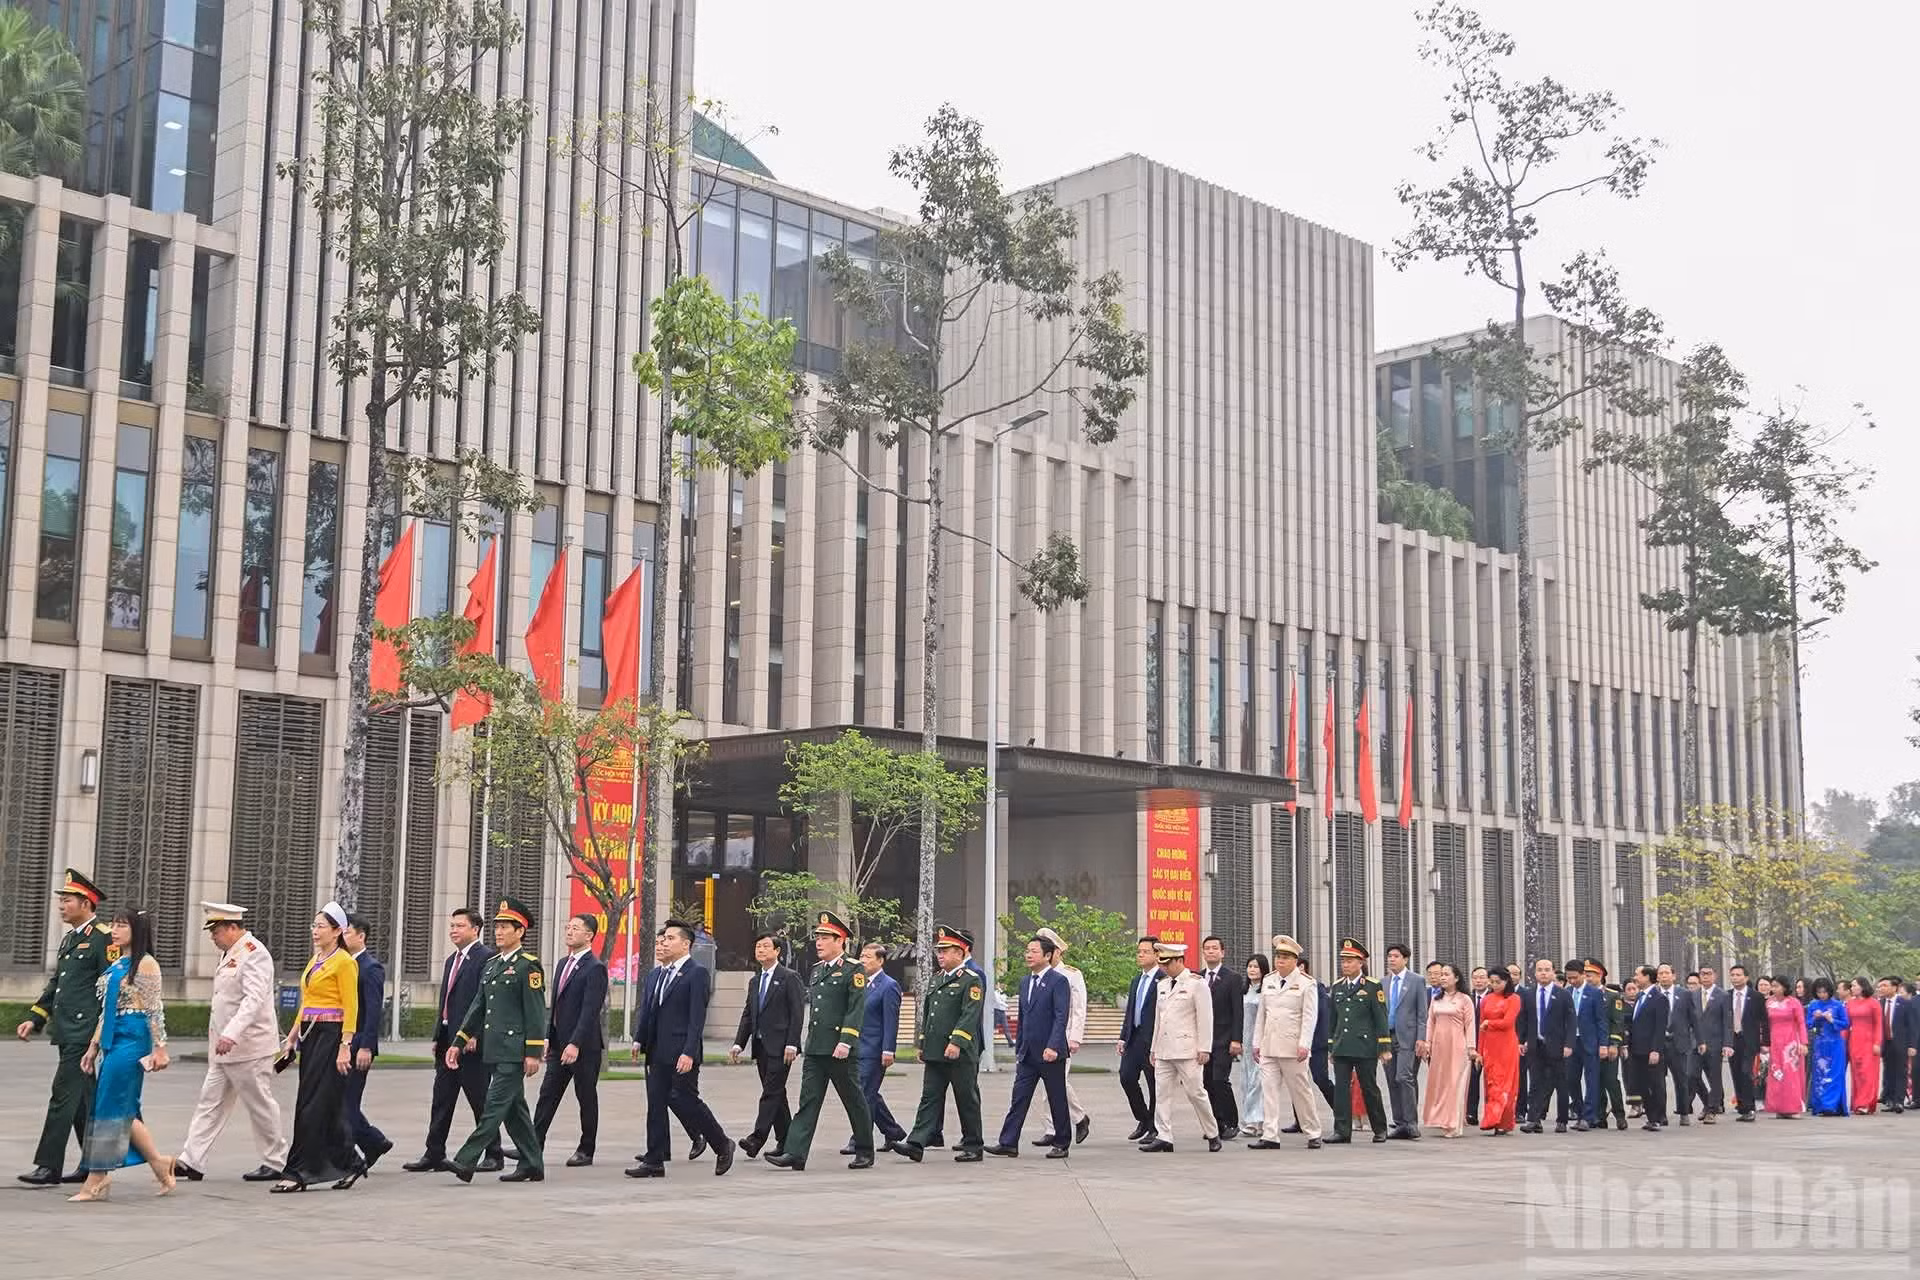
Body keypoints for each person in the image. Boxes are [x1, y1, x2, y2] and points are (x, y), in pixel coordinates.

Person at [68, 909, 176, 1201]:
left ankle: (97, 1178)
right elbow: (107, 1011)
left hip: (133, 1038)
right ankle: (158, 1162)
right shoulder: (119, 963)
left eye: (121, 925)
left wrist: (160, 1048)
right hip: (112, 1039)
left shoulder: (147, 964)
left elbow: (155, 1009)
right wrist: (93, 1046)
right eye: (113, 925)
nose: (114, 930)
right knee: (121, 1106)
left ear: (137, 930)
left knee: (108, 1106)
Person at [175, 903, 288, 1183]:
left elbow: (254, 1000)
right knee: (208, 1102)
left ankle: (275, 1161)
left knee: (259, 1103)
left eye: (216, 930)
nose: (213, 936)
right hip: (222, 1049)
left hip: (248, 1047)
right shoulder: (230, 954)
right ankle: (192, 1160)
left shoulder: (254, 954)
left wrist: (232, 1034)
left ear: (233, 928)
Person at [16, 868, 113, 1188]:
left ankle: (48, 1166)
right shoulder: (72, 938)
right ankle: (95, 1163)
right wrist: (36, 1016)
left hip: (83, 1033)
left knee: (63, 1096)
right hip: (68, 1028)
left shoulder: (103, 938)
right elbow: (58, 984)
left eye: (67, 900)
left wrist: (100, 1034)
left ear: (86, 903)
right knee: (83, 1101)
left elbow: (111, 988)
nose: (61, 906)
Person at [443, 898, 548, 1183]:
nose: (498, 932)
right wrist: (458, 1041)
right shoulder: (491, 966)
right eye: (497, 927)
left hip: (514, 1052)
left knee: (493, 1106)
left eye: (505, 927)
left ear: (520, 932)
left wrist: (533, 1053)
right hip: (494, 1049)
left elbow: (536, 1013)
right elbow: (478, 1007)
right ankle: (532, 1163)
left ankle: (466, 1160)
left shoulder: (529, 967)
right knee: (514, 1111)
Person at [625, 917, 733, 1179]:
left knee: (686, 1099)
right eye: (664, 938)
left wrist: (689, 1051)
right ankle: (654, 1160)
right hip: (657, 1050)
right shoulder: (659, 974)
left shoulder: (696, 973)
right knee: (656, 1104)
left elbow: (697, 1016)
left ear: (686, 944)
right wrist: (640, 1039)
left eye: (671, 938)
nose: (665, 942)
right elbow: (650, 1011)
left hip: (681, 1050)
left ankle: (721, 1143)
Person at [765, 912, 873, 1171]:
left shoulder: (853, 969)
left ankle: (865, 1150)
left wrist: (846, 1040)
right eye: (818, 937)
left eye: (825, 938)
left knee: (854, 1100)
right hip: (816, 1047)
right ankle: (795, 1152)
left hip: (840, 1048)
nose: (819, 942)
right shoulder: (816, 971)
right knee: (808, 1100)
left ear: (841, 940)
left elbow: (855, 1008)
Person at [273, 903, 363, 1193]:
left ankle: (299, 1170)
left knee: (311, 1104)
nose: (315, 931)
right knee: (324, 1104)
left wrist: (345, 1045)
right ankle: (351, 1161)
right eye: (314, 925)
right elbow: (307, 1002)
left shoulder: (344, 962)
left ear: (338, 931)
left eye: (321, 926)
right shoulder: (316, 960)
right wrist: (292, 1037)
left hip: (331, 1035)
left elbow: (351, 1006)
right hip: (311, 1035)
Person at [404, 908, 500, 1173]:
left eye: (460, 926)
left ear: (475, 929)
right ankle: (434, 1152)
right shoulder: (451, 960)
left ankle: (494, 1153)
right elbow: (445, 1002)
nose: (453, 930)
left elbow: (487, 1001)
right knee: (441, 1098)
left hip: (470, 1043)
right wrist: (439, 1034)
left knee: (479, 1099)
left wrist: (475, 1034)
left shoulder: (487, 958)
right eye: (452, 926)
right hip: (448, 1039)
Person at [896, 925, 986, 1163]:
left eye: (946, 950)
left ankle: (974, 1144)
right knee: (930, 1097)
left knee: (966, 1097)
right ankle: (916, 1143)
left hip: (960, 1051)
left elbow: (970, 1014)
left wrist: (956, 1042)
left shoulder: (971, 980)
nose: (941, 955)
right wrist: (922, 1043)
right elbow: (929, 1013)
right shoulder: (937, 979)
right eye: (940, 950)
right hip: (936, 1050)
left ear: (961, 952)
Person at [987, 936, 1074, 1159]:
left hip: (1050, 1053)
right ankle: (1008, 1142)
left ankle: (1062, 1142)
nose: (1028, 955)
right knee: (1019, 1098)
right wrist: (1019, 1046)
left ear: (1048, 956)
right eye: (1027, 950)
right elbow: (1024, 1017)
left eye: (1034, 951)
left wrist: (1054, 1045)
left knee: (1057, 1098)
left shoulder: (1059, 981)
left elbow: (1061, 1016)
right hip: (1028, 1053)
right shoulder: (1026, 981)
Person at [533, 912, 607, 1167]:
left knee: (585, 1096)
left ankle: (587, 1149)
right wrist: (547, 1036)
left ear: (589, 935)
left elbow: (590, 1010)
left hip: (583, 1047)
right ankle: (533, 1145)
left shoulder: (595, 968)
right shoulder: (563, 963)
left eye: (575, 928)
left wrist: (575, 1043)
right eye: (568, 927)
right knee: (547, 1094)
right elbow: (554, 1007)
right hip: (558, 1044)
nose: (569, 931)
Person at [1140, 940, 1220, 1153]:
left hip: (1188, 1049)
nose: (1164, 968)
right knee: (1162, 1094)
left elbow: (1205, 1018)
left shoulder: (1197, 983)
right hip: (1165, 1049)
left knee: (1196, 1093)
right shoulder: (1162, 984)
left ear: (1179, 960)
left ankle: (1212, 1132)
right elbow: (1159, 1019)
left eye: (1168, 963)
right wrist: (1154, 1049)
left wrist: (1205, 1048)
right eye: (1162, 964)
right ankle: (1164, 1136)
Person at [730, 931, 804, 1159]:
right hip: (761, 1046)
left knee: (770, 1092)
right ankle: (787, 1141)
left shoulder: (789, 977)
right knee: (776, 1094)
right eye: (758, 947)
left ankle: (756, 1139)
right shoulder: (755, 981)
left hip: (782, 1047)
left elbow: (797, 1013)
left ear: (777, 951)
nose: (760, 950)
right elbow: (748, 1014)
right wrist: (738, 1043)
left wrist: (793, 1043)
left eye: (765, 946)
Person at [1249, 936, 1320, 1149]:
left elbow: (1309, 1017)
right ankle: (1270, 1135)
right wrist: (1256, 1042)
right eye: (1278, 957)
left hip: (1292, 1047)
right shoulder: (1269, 980)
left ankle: (1312, 1131)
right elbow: (1262, 1014)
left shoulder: (1306, 983)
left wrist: (1304, 1044)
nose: (1280, 961)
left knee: (1301, 1091)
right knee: (1269, 1091)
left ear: (1295, 961)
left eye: (1285, 957)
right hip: (1269, 1045)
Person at [843, 942, 908, 1155]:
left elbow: (891, 1021)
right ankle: (893, 1132)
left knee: (864, 1094)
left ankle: (859, 1139)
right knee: (869, 1093)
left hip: (874, 1049)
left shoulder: (889, 986)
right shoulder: (859, 983)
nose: (863, 960)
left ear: (880, 961)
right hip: (856, 1048)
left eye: (868, 957)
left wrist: (888, 1050)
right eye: (862, 956)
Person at [1326, 937, 1390, 1144]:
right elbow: (1332, 1019)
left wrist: (1384, 1046)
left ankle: (1379, 1128)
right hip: (1342, 1045)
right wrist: (1330, 1046)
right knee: (1341, 1090)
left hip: (1365, 1046)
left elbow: (1380, 1017)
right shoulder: (1337, 987)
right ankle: (1342, 1130)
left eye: (1350, 961)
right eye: (1343, 961)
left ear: (1360, 962)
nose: (1345, 965)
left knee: (1369, 1087)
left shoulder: (1372, 986)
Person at [341, 914, 392, 1171]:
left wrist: (366, 1047)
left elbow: (374, 1012)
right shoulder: (340, 963)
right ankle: (374, 1141)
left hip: (358, 1043)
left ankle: (349, 1158)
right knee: (341, 1102)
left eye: (347, 932)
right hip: (340, 1044)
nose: (342, 936)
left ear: (361, 936)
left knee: (347, 1103)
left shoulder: (371, 968)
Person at [1035, 927, 1093, 1146]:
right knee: (1053, 1083)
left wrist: (1075, 1037)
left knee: (1055, 1082)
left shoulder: (1071, 974)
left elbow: (1079, 1008)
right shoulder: (1039, 974)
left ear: (1056, 951)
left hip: (1064, 1035)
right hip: (1042, 1037)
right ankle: (1076, 1119)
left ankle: (1058, 1127)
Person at [1415, 962, 1476, 1138]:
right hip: (1439, 1047)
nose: (1442, 977)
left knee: (1455, 1084)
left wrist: (1471, 1047)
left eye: (1446, 974)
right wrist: (1427, 1043)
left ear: (1456, 978)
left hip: (1457, 1046)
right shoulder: (1436, 999)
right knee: (1440, 1084)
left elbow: (1470, 1024)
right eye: (1441, 974)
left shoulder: (1465, 999)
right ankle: (1441, 1120)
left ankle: (1454, 1124)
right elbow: (1430, 1022)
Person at [1196, 935, 1245, 1139]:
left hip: (1224, 1040)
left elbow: (1237, 1011)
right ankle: (1215, 1124)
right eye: (1207, 948)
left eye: (1215, 948)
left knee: (1220, 1081)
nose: (1211, 951)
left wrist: (1237, 1039)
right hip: (1204, 1041)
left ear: (1222, 952)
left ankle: (1231, 1122)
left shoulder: (1232, 978)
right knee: (1206, 1083)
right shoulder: (1197, 978)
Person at [1518, 958, 1572, 1134]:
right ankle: (1533, 1119)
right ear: (1535, 973)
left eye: (1547, 970)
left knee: (1561, 1083)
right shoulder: (1528, 994)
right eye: (1540, 970)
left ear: (1553, 972)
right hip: (1536, 1045)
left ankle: (1562, 1120)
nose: (1543, 973)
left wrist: (1569, 1044)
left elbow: (1571, 1022)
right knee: (1535, 1083)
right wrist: (1522, 1040)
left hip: (1557, 1046)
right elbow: (1523, 1019)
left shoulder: (1563, 994)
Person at [1382, 943, 1429, 1140]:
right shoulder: (1383, 982)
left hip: (1409, 1038)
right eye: (1389, 956)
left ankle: (1411, 1123)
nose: (1391, 959)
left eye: (1396, 956)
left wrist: (1421, 1038)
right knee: (1392, 1080)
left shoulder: (1416, 980)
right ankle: (1400, 1122)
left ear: (1405, 959)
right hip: (1388, 1037)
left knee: (1404, 1077)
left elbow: (1421, 1013)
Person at [1116, 935, 1159, 1142]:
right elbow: (1130, 1011)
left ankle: (1155, 1127)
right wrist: (1123, 1037)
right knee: (1126, 1077)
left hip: (1153, 1041)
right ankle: (1143, 1118)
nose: (1140, 955)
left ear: (1157, 954)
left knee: (1154, 1085)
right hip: (1133, 1039)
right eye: (1139, 952)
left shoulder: (1164, 979)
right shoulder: (1136, 980)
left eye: (1146, 952)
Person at [1477, 965, 1521, 1134]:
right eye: (1492, 982)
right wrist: (1479, 1052)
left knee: (1506, 1084)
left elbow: (1508, 1023)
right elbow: (1481, 1027)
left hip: (1507, 1046)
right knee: (1491, 1083)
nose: (1494, 985)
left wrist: (1490, 1023)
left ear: (1506, 981)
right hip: (1490, 1046)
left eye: (1498, 982)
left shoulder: (1514, 998)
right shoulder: (1486, 999)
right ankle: (1492, 1118)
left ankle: (1502, 1121)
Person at [1627, 964, 1672, 1130]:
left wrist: (1656, 1049)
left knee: (1656, 1084)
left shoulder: (1659, 998)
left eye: (1637, 974)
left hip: (1651, 1050)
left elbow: (1660, 1027)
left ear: (1647, 977)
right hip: (1637, 1049)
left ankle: (1659, 1117)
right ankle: (1651, 1116)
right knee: (1641, 1084)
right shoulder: (1640, 996)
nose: (1635, 977)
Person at [1654, 963, 1698, 1126]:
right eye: (1661, 973)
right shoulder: (1653, 994)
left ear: (1673, 976)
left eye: (1667, 973)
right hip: (1658, 1043)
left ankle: (1684, 1111)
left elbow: (1693, 1018)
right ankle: (1660, 1114)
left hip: (1679, 1042)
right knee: (1658, 1080)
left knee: (1681, 1079)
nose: (1664, 976)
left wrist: (1700, 1040)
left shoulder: (1684, 994)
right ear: (1657, 977)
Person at [1588, 961, 1629, 1130]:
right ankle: (1599, 1116)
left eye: (1590, 975)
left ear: (1600, 976)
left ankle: (1619, 1115)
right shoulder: (1585, 994)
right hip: (1591, 1046)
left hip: (1608, 1045)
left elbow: (1617, 1022)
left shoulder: (1612, 996)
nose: (1587, 978)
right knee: (1595, 1082)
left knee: (1611, 1081)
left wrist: (1614, 1044)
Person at [1689, 964, 1731, 1122]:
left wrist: (1727, 1043)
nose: (1705, 976)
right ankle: (1707, 1102)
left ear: (1715, 975)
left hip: (1715, 1042)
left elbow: (1727, 1022)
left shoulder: (1723, 995)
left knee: (1714, 1077)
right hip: (1696, 1043)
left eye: (1708, 973)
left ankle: (1712, 1110)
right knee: (1692, 1074)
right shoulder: (1692, 995)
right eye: (1702, 974)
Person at [1727, 964, 1769, 1122]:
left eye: (1738, 975)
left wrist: (1765, 1041)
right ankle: (1742, 1106)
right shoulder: (1727, 995)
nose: (1735, 978)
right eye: (1733, 975)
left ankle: (1750, 1107)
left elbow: (1764, 1021)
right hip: (1731, 1040)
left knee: (1746, 1072)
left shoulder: (1756, 996)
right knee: (1736, 1073)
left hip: (1749, 1040)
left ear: (1746, 978)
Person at [1805, 976, 1851, 1116]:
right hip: (1820, 1045)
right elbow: (1807, 1024)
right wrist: (1816, 1018)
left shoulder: (1838, 1005)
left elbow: (1846, 1024)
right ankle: (1821, 1105)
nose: (1822, 995)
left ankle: (1833, 1105)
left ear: (1829, 991)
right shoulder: (1813, 1005)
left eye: (1824, 992)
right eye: (1819, 992)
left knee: (1835, 1074)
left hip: (1835, 1044)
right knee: (1820, 1075)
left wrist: (1832, 1020)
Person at [1764, 975, 1808, 1117]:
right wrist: (1764, 1042)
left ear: (1784, 987)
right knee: (1776, 1073)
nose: (1774, 988)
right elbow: (1764, 1025)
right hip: (1774, 1042)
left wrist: (1803, 1042)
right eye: (1773, 986)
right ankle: (1779, 1107)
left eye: (1777, 986)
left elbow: (1801, 1023)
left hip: (1791, 1043)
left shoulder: (1794, 1003)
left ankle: (1793, 1107)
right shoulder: (1769, 1003)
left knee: (1791, 1074)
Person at [1238, 954, 1269, 1136]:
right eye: (1249, 966)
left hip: (1261, 1042)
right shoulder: (1243, 991)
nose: (1252, 970)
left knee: (1258, 1082)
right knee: (1246, 1081)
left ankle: (1255, 1122)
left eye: (1256, 967)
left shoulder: (1266, 991)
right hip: (1245, 1042)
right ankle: (1251, 1119)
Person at [1844, 977, 1883, 1115]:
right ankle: (1857, 1102)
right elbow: (1846, 1025)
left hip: (1869, 1040)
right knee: (1856, 1073)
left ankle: (1864, 1103)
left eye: (1854, 985)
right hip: (1854, 1041)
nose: (1851, 988)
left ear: (1862, 986)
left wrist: (1877, 1043)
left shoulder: (1874, 1003)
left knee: (1868, 1073)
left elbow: (1879, 1025)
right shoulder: (1850, 1003)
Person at [1878, 976, 1913, 1114]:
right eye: (1880, 986)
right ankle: (1890, 1100)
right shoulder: (1879, 1003)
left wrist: (1912, 1045)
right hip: (1885, 1043)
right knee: (1888, 1072)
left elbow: (1912, 1026)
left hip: (1901, 1043)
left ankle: (1899, 1101)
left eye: (1885, 986)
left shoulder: (1904, 1003)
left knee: (1901, 1071)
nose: (1881, 988)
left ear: (1894, 987)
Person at [1464, 967, 1489, 1128]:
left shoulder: (1494, 997)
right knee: (1471, 1079)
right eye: (1475, 978)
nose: (1478, 981)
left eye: (1482, 978)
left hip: (1489, 1043)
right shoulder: (1466, 998)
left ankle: (1491, 1113)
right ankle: (1471, 1112)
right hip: (1472, 1044)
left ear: (1487, 980)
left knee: (1491, 1080)